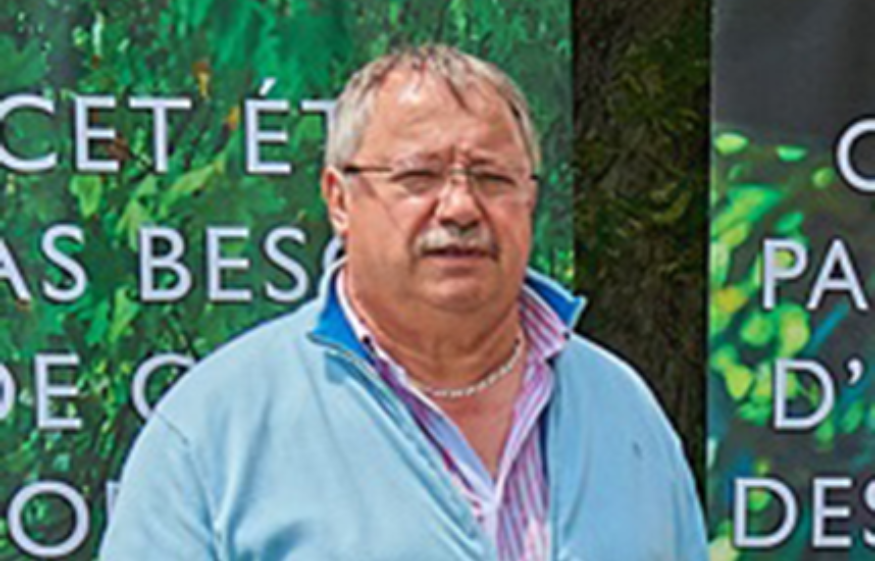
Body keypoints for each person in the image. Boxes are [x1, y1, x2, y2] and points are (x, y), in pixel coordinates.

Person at [101, 45, 707, 560]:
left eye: (493, 178)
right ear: (340, 199)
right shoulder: (215, 431)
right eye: (419, 177)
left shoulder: (621, 408)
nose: (461, 207)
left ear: (530, 199)